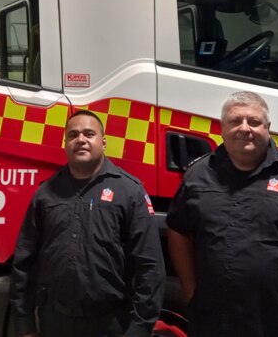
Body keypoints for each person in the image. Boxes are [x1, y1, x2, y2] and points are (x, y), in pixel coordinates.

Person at [166, 91, 278, 337]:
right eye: (235, 121)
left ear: (268, 127)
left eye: (254, 121)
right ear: (221, 128)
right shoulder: (198, 175)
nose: (244, 128)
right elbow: (178, 229)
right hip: (216, 324)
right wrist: (189, 291)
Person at [11, 109, 165, 337]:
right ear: (65, 143)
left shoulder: (129, 191)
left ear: (103, 142)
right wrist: (24, 324)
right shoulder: (46, 193)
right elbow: (24, 261)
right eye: (73, 135)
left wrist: (140, 328)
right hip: (56, 322)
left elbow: (150, 266)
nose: (80, 140)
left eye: (88, 133)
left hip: (111, 323)